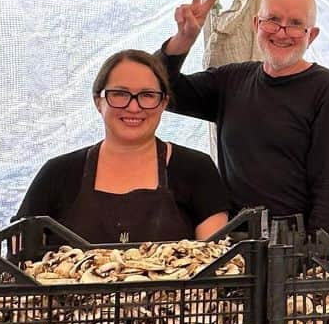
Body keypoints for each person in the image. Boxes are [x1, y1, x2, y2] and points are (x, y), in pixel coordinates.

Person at [157, 0, 329, 237]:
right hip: (235, 243)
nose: (281, 32)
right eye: (272, 19)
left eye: (295, 24)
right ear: (255, 24)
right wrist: (183, 39)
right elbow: (159, 91)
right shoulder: (231, 81)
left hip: (297, 246)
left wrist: (314, 257)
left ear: (312, 35)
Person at [17, 49, 229, 243]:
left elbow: (215, 267)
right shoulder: (57, 174)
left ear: (164, 103)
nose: (134, 107)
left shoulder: (196, 170)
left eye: (148, 95)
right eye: (120, 94)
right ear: (98, 101)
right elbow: (18, 259)